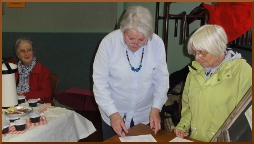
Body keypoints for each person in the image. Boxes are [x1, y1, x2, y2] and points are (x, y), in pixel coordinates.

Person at [92, 6, 169, 140]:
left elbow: (161, 80)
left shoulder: (156, 43)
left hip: (145, 114)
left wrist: (156, 108)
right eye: (131, 38)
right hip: (114, 113)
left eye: (141, 40)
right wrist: (113, 113)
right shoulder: (109, 43)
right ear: (123, 31)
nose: (135, 43)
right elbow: (100, 82)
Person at [174, 24, 252, 142]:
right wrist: (183, 125)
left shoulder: (242, 72)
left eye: (201, 52)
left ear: (217, 48)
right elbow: (188, 105)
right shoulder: (195, 71)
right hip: (197, 139)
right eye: (195, 52)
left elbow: (247, 119)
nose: (196, 58)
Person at [12, 37, 54, 106]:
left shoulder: (43, 70)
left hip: (38, 105)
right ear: (17, 55)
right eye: (22, 51)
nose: (26, 54)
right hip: (15, 105)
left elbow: (46, 94)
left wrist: (23, 95)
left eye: (29, 50)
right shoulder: (13, 69)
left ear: (33, 52)